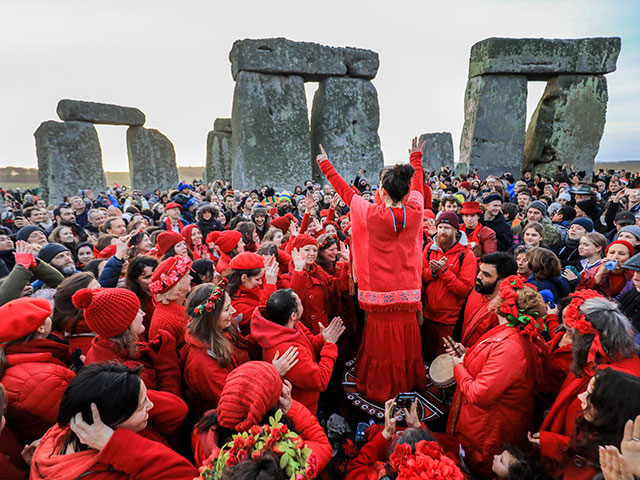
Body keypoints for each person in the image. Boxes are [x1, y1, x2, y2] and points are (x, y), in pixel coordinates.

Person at [317, 139, 428, 403]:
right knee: (405, 346)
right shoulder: (415, 211)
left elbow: (346, 192)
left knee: (382, 348)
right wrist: (416, 158)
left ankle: (382, 389)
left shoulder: (371, 214)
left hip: (379, 297)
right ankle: (408, 383)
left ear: (385, 193)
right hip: (409, 296)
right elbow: (419, 186)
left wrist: (326, 165)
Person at [446, 276, 548, 478]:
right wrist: (466, 354)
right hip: (486, 422)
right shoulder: (508, 333)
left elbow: (480, 393)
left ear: (504, 306)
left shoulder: (510, 346)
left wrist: (458, 367)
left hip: (489, 428)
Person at [29, 363, 198, 480]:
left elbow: (177, 411)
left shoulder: (64, 431)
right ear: (111, 420)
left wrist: (131, 389)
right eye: (141, 405)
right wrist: (115, 444)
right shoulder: (106, 473)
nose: (151, 405)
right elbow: (185, 474)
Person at [532, 292, 640, 469]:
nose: (569, 340)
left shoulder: (620, 381)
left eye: (572, 334)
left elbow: (604, 442)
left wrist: (552, 442)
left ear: (589, 337)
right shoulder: (595, 360)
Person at [181, 280, 298, 417]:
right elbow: (235, 401)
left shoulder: (220, 332)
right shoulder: (201, 362)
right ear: (210, 317)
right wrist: (272, 372)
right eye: (226, 309)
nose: (234, 311)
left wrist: (271, 330)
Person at [192, 361, 332, 474]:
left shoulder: (202, 431)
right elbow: (323, 447)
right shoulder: (281, 450)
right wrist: (291, 407)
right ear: (270, 411)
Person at [251, 289, 343, 414]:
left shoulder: (287, 326)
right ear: (293, 315)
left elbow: (309, 343)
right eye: (300, 303)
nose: (302, 305)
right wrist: (330, 345)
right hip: (301, 409)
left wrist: (323, 338)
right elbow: (320, 380)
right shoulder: (291, 352)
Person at [77, 287, 182, 397]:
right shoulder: (127, 373)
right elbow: (172, 403)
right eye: (137, 311)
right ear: (123, 324)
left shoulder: (103, 345)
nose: (143, 313)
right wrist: (166, 361)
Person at [541, 368, 640, 479]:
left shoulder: (615, 469)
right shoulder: (591, 430)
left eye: (590, 397)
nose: (581, 397)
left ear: (612, 411)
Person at [0, 297, 75, 443]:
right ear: (40, 328)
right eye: (48, 316)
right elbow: (74, 417)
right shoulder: (40, 377)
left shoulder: (25, 361)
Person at [422, 210, 477, 361]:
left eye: (446, 228)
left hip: (449, 319)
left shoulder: (466, 255)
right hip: (428, 314)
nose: (441, 232)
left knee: (443, 359)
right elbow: (419, 275)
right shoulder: (429, 249)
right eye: (439, 227)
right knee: (427, 355)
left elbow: (465, 289)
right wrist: (432, 273)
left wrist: (443, 271)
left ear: (455, 231)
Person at [289, 234, 349, 335]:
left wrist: (346, 264)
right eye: (307, 250)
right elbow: (292, 303)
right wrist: (298, 271)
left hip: (323, 327)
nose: (312, 253)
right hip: (305, 331)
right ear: (296, 251)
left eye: (315, 250)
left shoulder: (318, 271)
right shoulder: (289, 276)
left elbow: (339, 286)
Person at [457, 252, 518, 348]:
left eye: (486, 274)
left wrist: (468, 354)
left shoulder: (503, 313)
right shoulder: (475, 292)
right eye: (479, 271)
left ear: (502, 282)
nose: (478, 276)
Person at [224, 251, 279, 336]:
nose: (260, 283)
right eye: (258, 279)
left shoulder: (248, 287)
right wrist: (270, 285)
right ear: (244, 277)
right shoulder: (235, 303)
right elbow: (263, 316)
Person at [148, 256, 193, 349]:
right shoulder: (162, 323)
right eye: (187, 275)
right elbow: (166, 361)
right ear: (177, 285)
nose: (191, 278)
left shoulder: (185, 303)